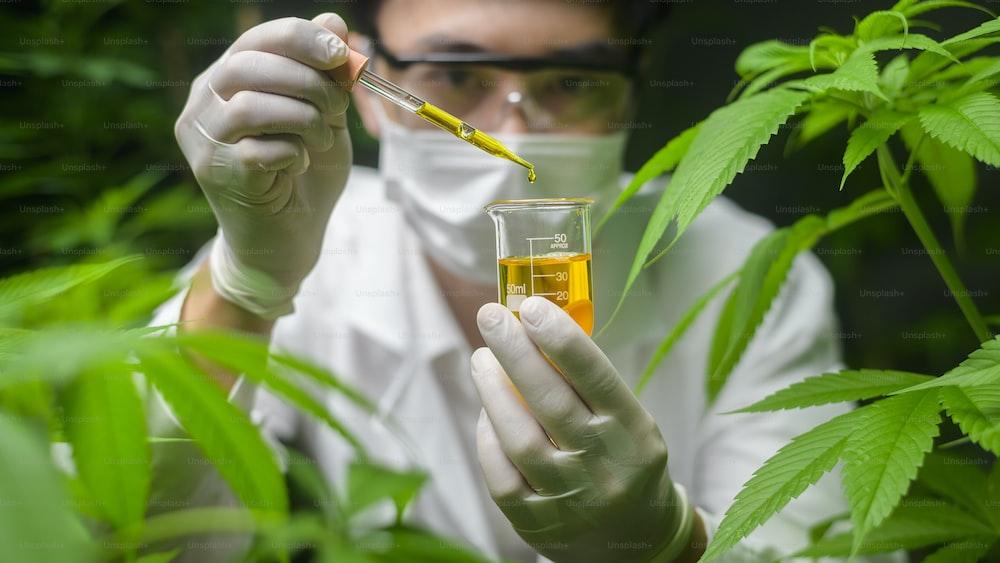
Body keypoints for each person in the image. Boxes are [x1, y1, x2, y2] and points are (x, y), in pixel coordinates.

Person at [157, 1, 902, 561]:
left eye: (572, 81)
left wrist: (673, 544)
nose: (511, 135)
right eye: (454, 76)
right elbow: (134, 528)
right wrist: (248, 284)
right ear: (365, 83)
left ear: (631, 94)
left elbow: (827, 544)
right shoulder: (300, 241)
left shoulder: (746, 272)